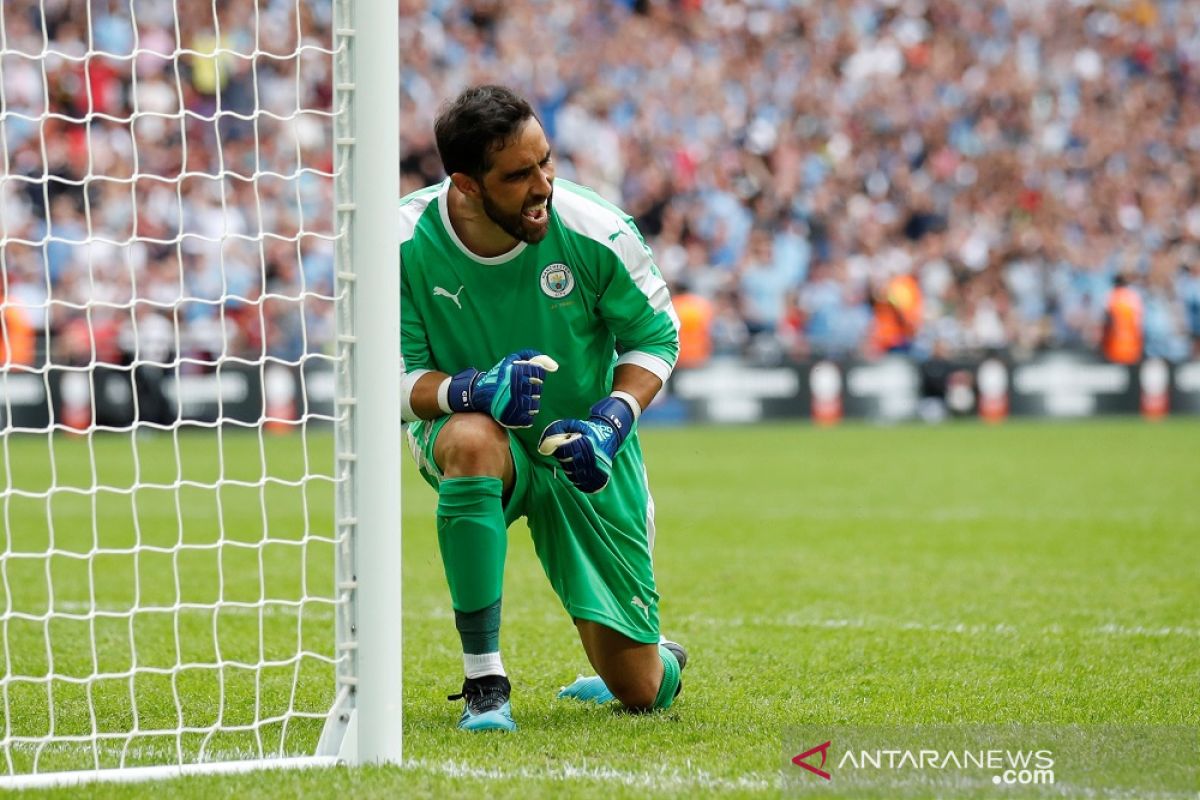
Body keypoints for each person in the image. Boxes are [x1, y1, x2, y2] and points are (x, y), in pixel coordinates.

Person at [398, 85, 687, 732]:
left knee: (639, 690)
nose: (544, 186)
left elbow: (657, 336)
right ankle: (484, 682)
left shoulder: (595, 229)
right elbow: (389, 380)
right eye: (519, 175)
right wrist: (473, 390)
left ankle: (654, 658)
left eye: (546, 162)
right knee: (473, 437)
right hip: (470, 433)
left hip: (583, 446)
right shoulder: (401, 244)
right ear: (467, 186)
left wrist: (612, 423)